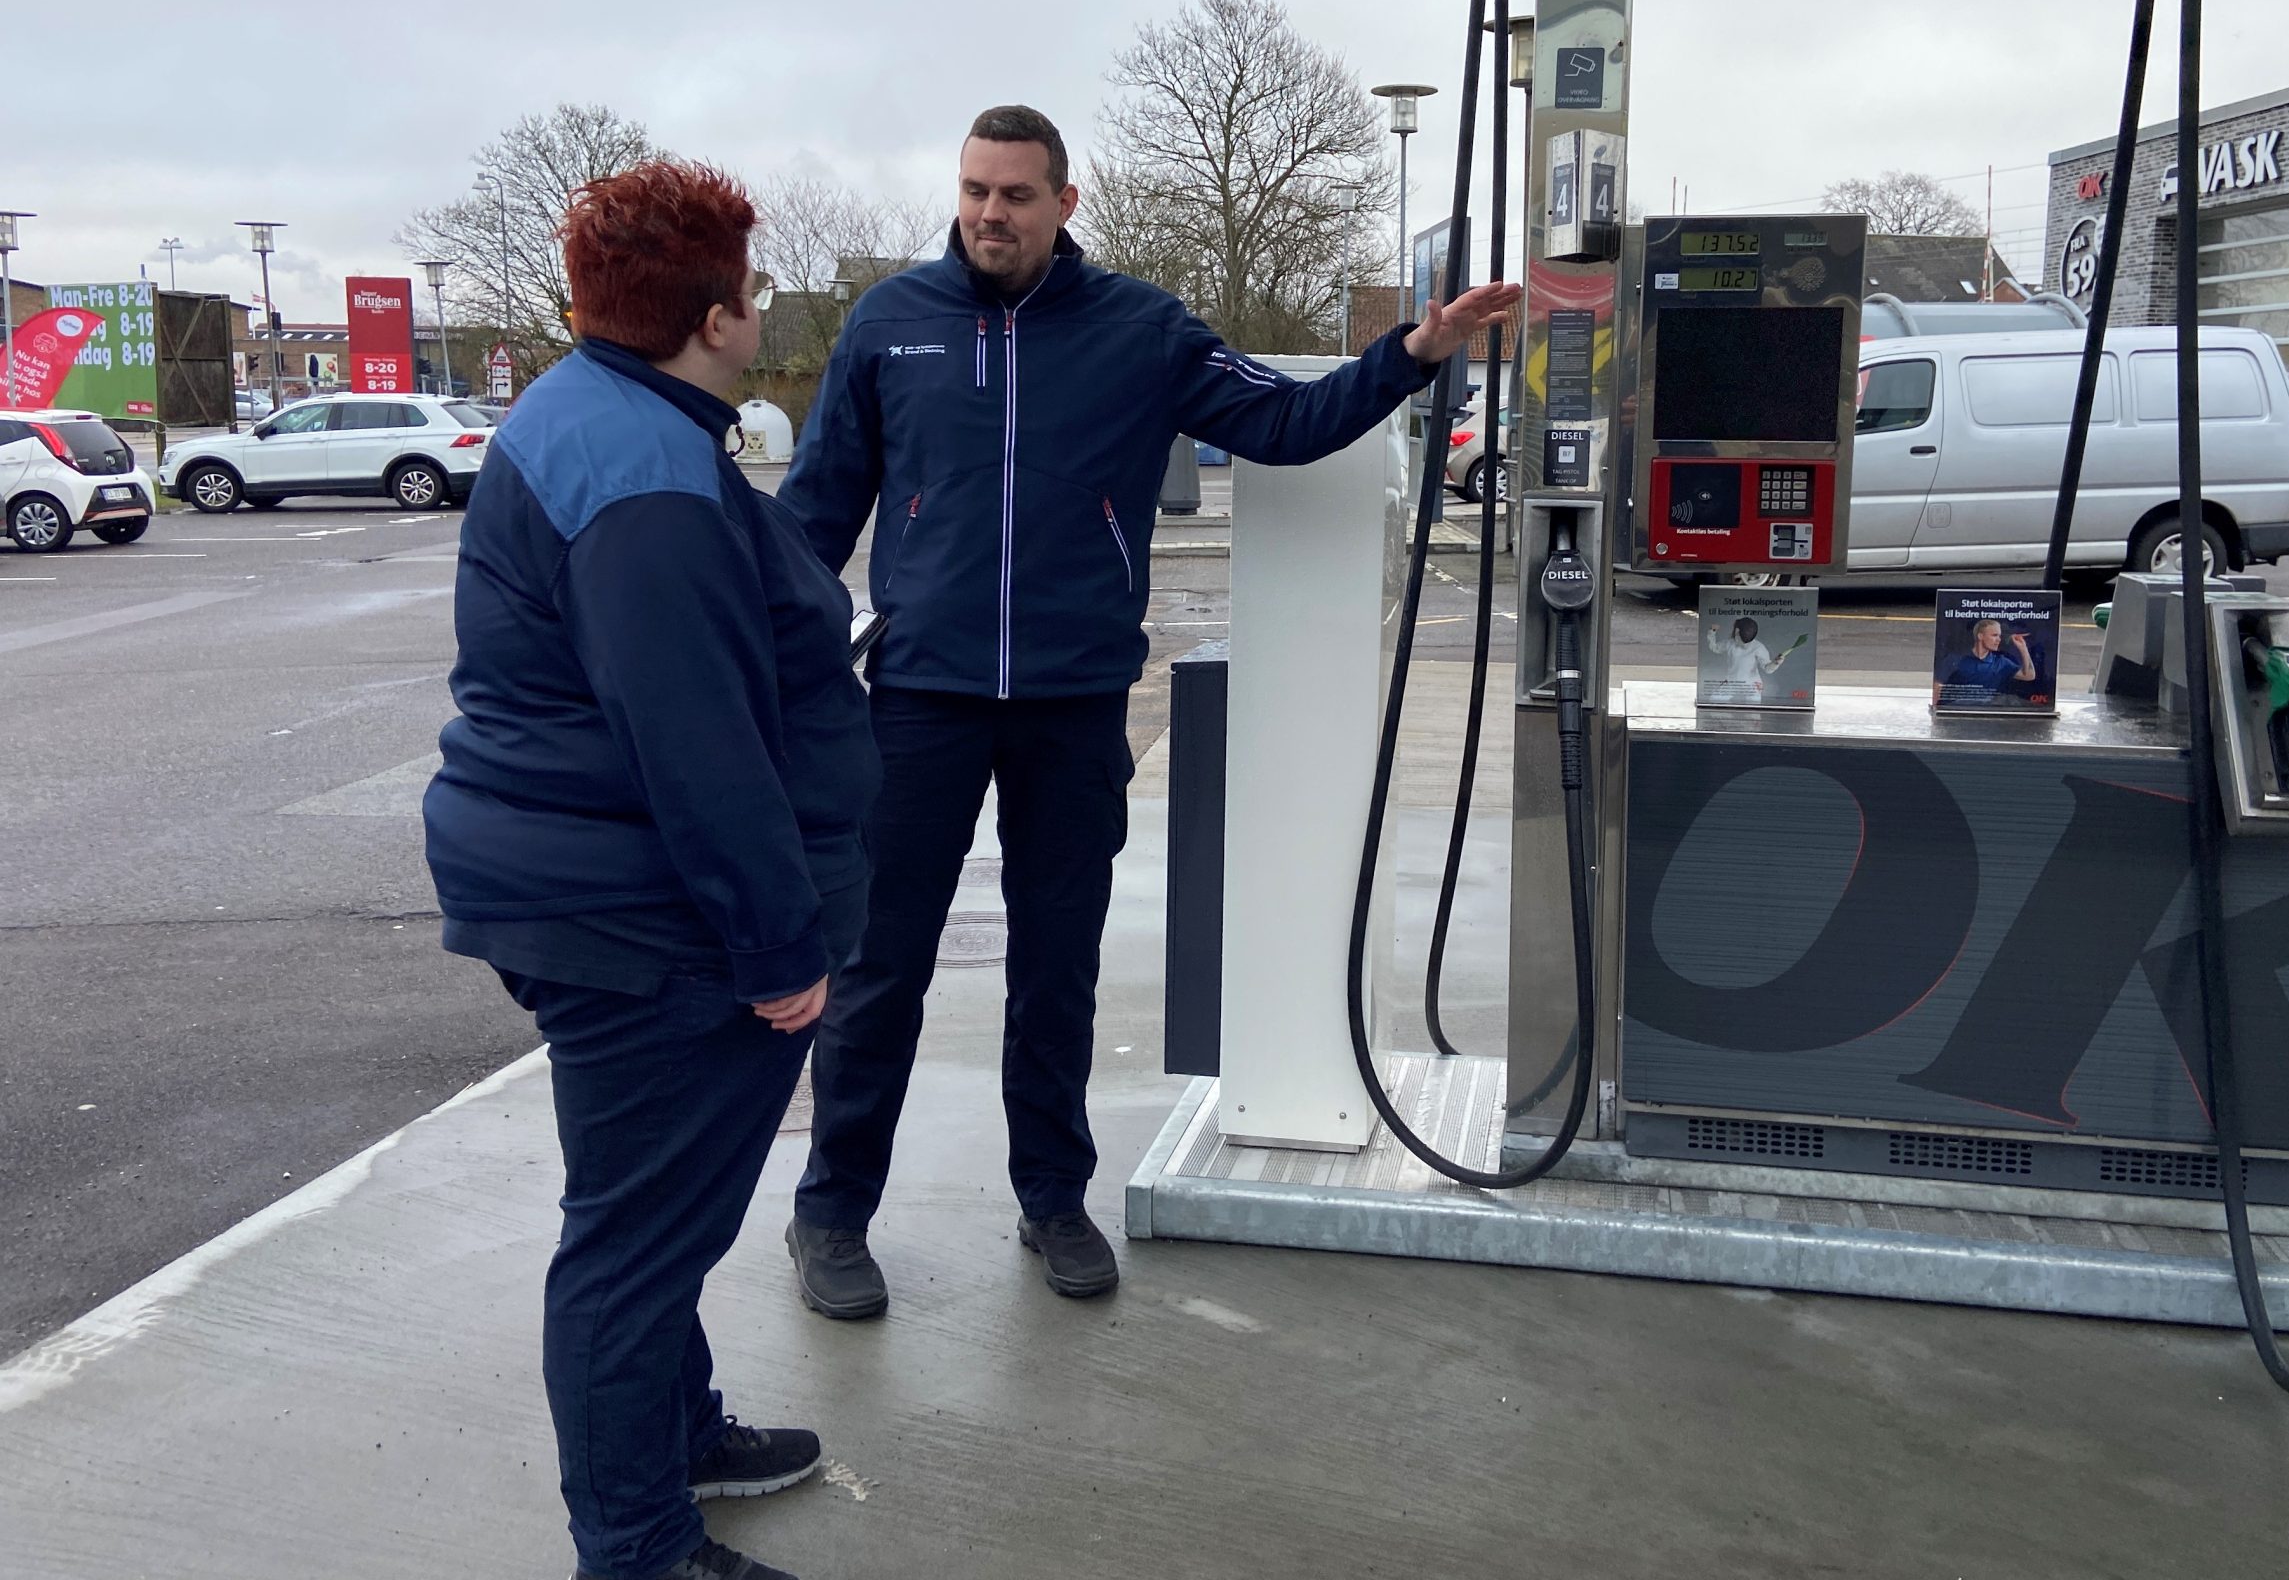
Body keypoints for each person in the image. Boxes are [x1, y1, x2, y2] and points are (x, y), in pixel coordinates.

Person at [779, 104, 1516, 1312]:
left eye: (1014, 194)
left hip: (1071, 703)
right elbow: (813, 513)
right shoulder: (889, 325)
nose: (988, 214)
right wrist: (777, 664)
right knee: (878, 967)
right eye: (972, 191)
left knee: (1056, 966)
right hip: (918, 700)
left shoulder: (1138, 330)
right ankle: (831, 1214)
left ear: (1065, 204)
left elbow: (1282, 423)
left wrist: (1411, 354)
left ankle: (1053, 1199)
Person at [425, 161, 880, 1580]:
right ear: (714, 315)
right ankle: (637, 1546)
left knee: (648, 1211)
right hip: (646, 922)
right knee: (630, 1245)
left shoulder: (612, 417)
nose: (761, 305)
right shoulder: (642, 480)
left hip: (591, 893)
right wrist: (780, 950)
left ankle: (674, 1434)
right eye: (751, 285)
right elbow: (698, 747)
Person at [1934, 615, 2041, 708]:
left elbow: (2029, 675)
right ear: (1980, 636)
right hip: (1956, 713)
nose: (1998, 639)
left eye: (1999, 636)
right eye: (1994, 635)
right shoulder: (1955, 659)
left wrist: (2023, 649)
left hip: (1986, 713)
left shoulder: (2001, 662)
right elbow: (1938, 685)